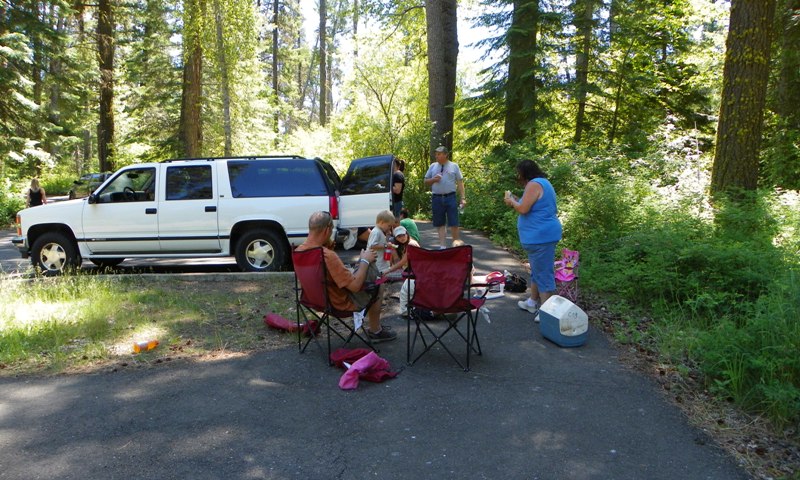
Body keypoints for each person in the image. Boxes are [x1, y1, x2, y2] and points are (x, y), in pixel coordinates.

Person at [296, 211, 397, 342]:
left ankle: (375, 329)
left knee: (357, 268)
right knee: (379, 282)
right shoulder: (327, 256)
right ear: (327, 230)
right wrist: (365, 261)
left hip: (314, 299)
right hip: (340, 303)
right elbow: (355, 287)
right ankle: (375, 330)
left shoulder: (299, 251)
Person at [504, 159, 562, 320]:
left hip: (541, 236)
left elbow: (523, 209)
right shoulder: (541, 183)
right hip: (539, 236)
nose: (518, 177)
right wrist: (515, 199)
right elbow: (528, 204)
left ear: (524, 173)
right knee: (537, 270)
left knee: (543, 273)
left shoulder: (534, 184)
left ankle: (546, 312)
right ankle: (532, 302)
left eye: (519, 173)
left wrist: (512, 201)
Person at [423, 146, 466, 248]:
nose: (436, 156)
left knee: (453, 222)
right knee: (440, 222)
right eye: (436, 154)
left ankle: (456, 245)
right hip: (436, 198)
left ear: (445, 154)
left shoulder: (454, 166)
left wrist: (463, 198)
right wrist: (433, 179)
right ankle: (442, 246)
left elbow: (460, 182)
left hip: (450, 197)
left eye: (439, 154)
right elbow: (425, 181)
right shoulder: (433, 166)